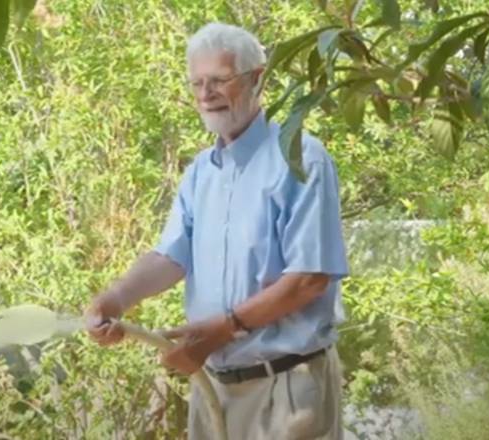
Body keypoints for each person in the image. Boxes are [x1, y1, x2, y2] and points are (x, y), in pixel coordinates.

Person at [84, 22, 349, 440]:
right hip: (214, 389)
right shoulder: (200, 174)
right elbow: (169, 256)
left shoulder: (301, 160)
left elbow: (309, 280)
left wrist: (223, 330)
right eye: (197, 83)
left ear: (257, 78)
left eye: (220, 80)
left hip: (286, 392)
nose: (206, 93)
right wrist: (116, 298)